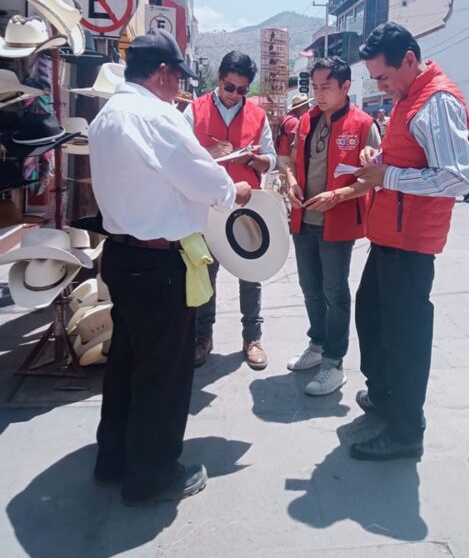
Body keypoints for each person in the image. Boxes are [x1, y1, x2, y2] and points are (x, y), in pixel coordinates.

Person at [88, 29, 252, 505]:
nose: (177, 84)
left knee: (126, 363)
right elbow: (200, 179)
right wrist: (232, 191)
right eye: (176, 75)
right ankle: (152, 475)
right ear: (161, 72)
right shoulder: (155, 115)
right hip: (158, 261)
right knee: (163, 373)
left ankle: (113, 459)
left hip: (122, 255)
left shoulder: (108, 115)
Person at [349, 22, 469, 461]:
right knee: (372, 320)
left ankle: (405, 429)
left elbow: (457, 178)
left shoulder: (437, 100)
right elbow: (408, 155)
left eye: (383, 77)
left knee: (404, 337)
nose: (381, 86)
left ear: (408, 59)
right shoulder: (407, 98)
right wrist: (377, 158)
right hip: (388, 234)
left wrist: (390, 175)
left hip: (411, 243)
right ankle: (386, 398)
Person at [285, 58, 380, 395]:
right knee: (310, 287)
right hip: (303, 217)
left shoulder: (364, 125)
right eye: (315, 87)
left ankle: (334, 363)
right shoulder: (305, 122)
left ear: (345, 87)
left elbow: (373, 179)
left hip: (337, 222)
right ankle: (317, 342)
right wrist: (290, 182)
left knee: (335, 293)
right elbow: (291, 163)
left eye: (326, 87)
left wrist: (339, 194)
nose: (319, 94)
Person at [185, 51, 276, 370]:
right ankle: (202, 337)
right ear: (219, 78)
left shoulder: (258, 115)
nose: (235, 94)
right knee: (205, 273)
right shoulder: (194, 111)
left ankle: (252, 337)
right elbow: (178, 159)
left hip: (246, 207)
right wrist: (209, 154)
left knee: (251, 274)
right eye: (229, 87)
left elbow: (272, 160)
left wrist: (250, 159)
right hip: (206, 208)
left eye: (242, 90)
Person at [275, 93, 311, 171]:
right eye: (306, 106)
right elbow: (293, 144)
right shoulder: (294, 121)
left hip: (282, 155)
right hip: (287, 157)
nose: (308, 108)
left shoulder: (288, 117)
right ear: (299, 108)